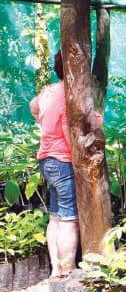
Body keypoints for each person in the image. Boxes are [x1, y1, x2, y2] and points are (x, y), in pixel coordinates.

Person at [29, 51, 79, 277]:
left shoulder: (48, 91)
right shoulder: (68, 94)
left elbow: (33, 106)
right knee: (69, 220)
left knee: (56, 216)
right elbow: (68, 131)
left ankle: (56, 268)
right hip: (63, 161)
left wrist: (43, 122)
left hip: (46, 160)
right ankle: (68, 270)